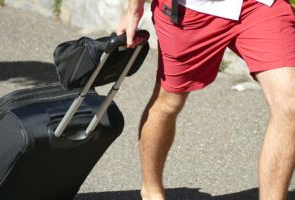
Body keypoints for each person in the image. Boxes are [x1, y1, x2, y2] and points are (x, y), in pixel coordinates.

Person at [117, 0, 295, 199]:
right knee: (169, 102)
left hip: (258, 5)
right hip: (192, 11)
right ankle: (151, 190)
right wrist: (134, 10)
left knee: (290, 104)